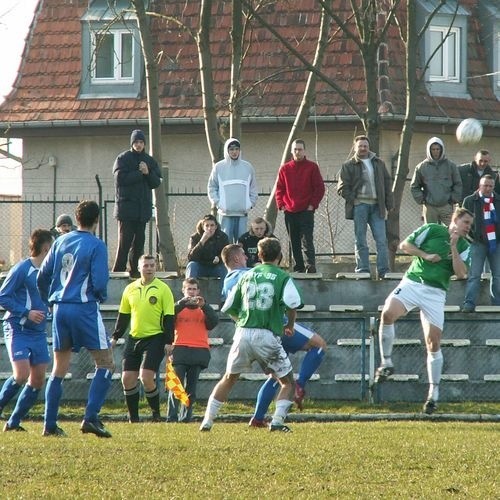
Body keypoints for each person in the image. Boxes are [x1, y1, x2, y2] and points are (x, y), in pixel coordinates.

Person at [375, 207, 473, 414]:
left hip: (436, 293)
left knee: (433, 342)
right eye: (466, 223)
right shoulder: (432, 229)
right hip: (413, 283)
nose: (468, 228)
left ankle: (433, 395)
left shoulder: (464, 246)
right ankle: (386, 363)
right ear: (455, 221)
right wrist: (425, 255)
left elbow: (462, 274)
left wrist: (454, 248)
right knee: (387, 314)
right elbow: (405, 245)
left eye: (470, 225)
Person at [200, 237, 302, 433]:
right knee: (287, 382)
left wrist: (240, 320)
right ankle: (278, 422)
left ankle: (207, 421)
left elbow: (228, 306)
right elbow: (293, 303)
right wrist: (289, 324)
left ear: (259, 255)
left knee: (229, 378)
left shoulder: (246, 275)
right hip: (266, 334)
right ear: (280, 256)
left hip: (243, 333)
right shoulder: (282, 276)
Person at [220, 243, 326, 425]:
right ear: (237, 258)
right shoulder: (249, 275)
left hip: (246, 330)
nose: (247, 258)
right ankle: (299, 386)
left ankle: (258, 418)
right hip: (272, 324)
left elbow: (230, 308)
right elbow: (286, 298)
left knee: (277, 375)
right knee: (319, 345)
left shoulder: (227, 281)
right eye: (244, 255)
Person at [38, 200, 114, 437]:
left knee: (59, 367)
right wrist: (99, 296)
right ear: (97, 220)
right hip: (84, 307)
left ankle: (49, 424)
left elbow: (42, 276)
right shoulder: (96, 244)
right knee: (106, 363)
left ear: (76, 218)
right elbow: (100, 281)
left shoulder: (60, 240)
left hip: (60, 308)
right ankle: (90, 418)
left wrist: (49, 301)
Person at [0, 229, 53, 432]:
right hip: (18, 328)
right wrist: (26, 312)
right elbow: (3, 296)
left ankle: (14, 423)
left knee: (37, 379)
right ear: (46, 248)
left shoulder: (50, 271)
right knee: (21, 374)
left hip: (38, 332)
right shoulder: (22, 268)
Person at [111, 254, 175, 423]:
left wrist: (169, 340)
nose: (149, 268)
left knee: (146, 377)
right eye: (145, 265)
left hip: (155, 338)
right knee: (127, 379)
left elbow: (169, 316)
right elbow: (123, 315)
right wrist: (116, 336)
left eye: (152, 265)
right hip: (134, 338)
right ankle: (134, 418)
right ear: (139, 268)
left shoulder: (163, 289)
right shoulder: (130, 289)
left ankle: (156, 414)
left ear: (156, 268)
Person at [337, 135, 394, 278]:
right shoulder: (348, 165)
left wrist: (389, 203)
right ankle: (363, 270)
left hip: (377, 206)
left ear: (369, 147)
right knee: (360, 239)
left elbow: (387, 183)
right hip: (360, 206)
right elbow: (342, 188)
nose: (363, 148)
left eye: (365, 146)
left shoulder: (378, 163)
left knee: (381, 240)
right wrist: (354, 200)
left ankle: (383, 271)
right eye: (360, 146)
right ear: (355, 148)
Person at [112, 129, 162, 278]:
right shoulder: (123, 159)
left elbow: (156, 182)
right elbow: (120, 179)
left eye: (141, 142)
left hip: (142, 211)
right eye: (136, 142)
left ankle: (135, 271)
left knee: (139, 243)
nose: (139, 145)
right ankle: (118, 272)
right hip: (126, 210)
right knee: (125, 243)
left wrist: (147, 173)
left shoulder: (150, 160)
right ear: (132, 143)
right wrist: (139, 173)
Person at [166, 278, 218, 423]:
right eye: (189, 289)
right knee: (177, 386)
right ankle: (171, 417)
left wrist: (205, 306)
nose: (192, 292)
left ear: (198, 291)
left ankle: (186, 417)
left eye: (194, 289)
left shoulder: (203, 310)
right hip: (180, 349)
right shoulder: (177, 308)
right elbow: (168, 319)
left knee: (191, 389)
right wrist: (181, 303)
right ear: (183, 290)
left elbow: (213, 323)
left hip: (199, 350)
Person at [275, 139, 325, 273]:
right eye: (295, 149)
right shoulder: (285, 169)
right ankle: (299, 267)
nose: (298, 151)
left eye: (300, 149)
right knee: (294, 241)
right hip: (290, 211)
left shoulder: (312, 167)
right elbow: (279, 189)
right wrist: (282, 205)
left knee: (307, 240)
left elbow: (319, 188)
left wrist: (312, 205)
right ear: (291, 151)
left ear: (305, 151)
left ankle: (310, 266)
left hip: (306, 210)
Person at [207, 138, 258, 243]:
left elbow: (253, 188)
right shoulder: (219, 167)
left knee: (241, 244)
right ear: (227, 150)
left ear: (240, 150)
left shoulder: (248, 167)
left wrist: (250, 204)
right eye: (231, 149)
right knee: (226, 244)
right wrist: (218, 203)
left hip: (242, 214)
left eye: (236, 149)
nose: (234, 152)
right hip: (225, 214)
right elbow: (212, 187)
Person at [461, 175, 500, 312]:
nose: (488, 188)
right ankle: (469, 303)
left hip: (496, 243)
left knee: (497, 275)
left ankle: (497, 305)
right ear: (479, 185)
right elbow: (462, 222)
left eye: (490, 186)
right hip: (477, 243)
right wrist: (470, 239)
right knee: (474, 275)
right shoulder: (469, 201)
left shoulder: (498, 200)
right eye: (485, 185)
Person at [410, 137, 462, 226]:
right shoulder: (421, 167)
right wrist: (422, 199)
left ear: (442, 149)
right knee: (430, 232)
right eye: (433, 149)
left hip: (446, 205)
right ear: (429, 150)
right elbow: (414, 186)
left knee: (452, 230)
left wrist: (453, 199)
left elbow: (458, 183)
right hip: (430, 206)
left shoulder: (451, 166)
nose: (435, 152)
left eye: (438, 149)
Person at [185, 214, 229, 279]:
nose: (209, 228)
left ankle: (225, 289)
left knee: (224, 267)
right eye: (207, 225)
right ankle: (190, 287)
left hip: (216, 267)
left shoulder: (223, 237)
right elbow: (191, 257)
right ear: (203, 227)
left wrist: (219, 258)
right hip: (200, 267)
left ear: (216, 227)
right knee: (191, 265)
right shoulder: (195, 237)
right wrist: (202, 241)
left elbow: (227, 253)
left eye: (212, 225)